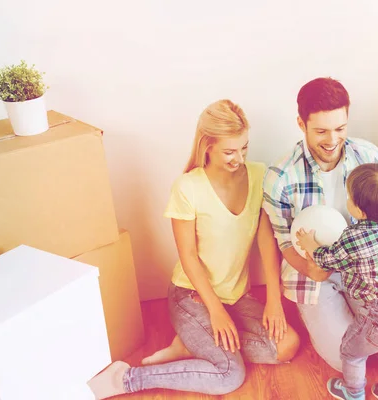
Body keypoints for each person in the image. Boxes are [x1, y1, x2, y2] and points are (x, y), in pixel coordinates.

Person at [88, 99, 300, 399]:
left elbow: (267, 242)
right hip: (192, 294)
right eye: (229, 151)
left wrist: (274, 302)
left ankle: (193, 346)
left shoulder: (259, 175)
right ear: (207, 146)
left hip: (237, 297)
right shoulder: (187, 187)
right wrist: (215, 311)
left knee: (287, 345)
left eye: (244, 148)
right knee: (229, 374)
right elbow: (187, 257)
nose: (238, 158)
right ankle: (127, 379)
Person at [262, 77, 378, 372]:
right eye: (320, 131)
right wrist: (311, 269)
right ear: (301, 123)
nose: (332, 140)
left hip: (362, 267)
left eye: (340, 129)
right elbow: (282, 240)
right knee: (347, 360)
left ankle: (356, 317)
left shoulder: (369, 157)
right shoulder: (280, 176)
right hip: (313, 276)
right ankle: (329, 317)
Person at [295, 163, 378, 400]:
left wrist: (310, 244)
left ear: (361, 211)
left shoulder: (353, 239)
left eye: (349, 198)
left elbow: (327, 259)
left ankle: (352, 392)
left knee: (351, 352)